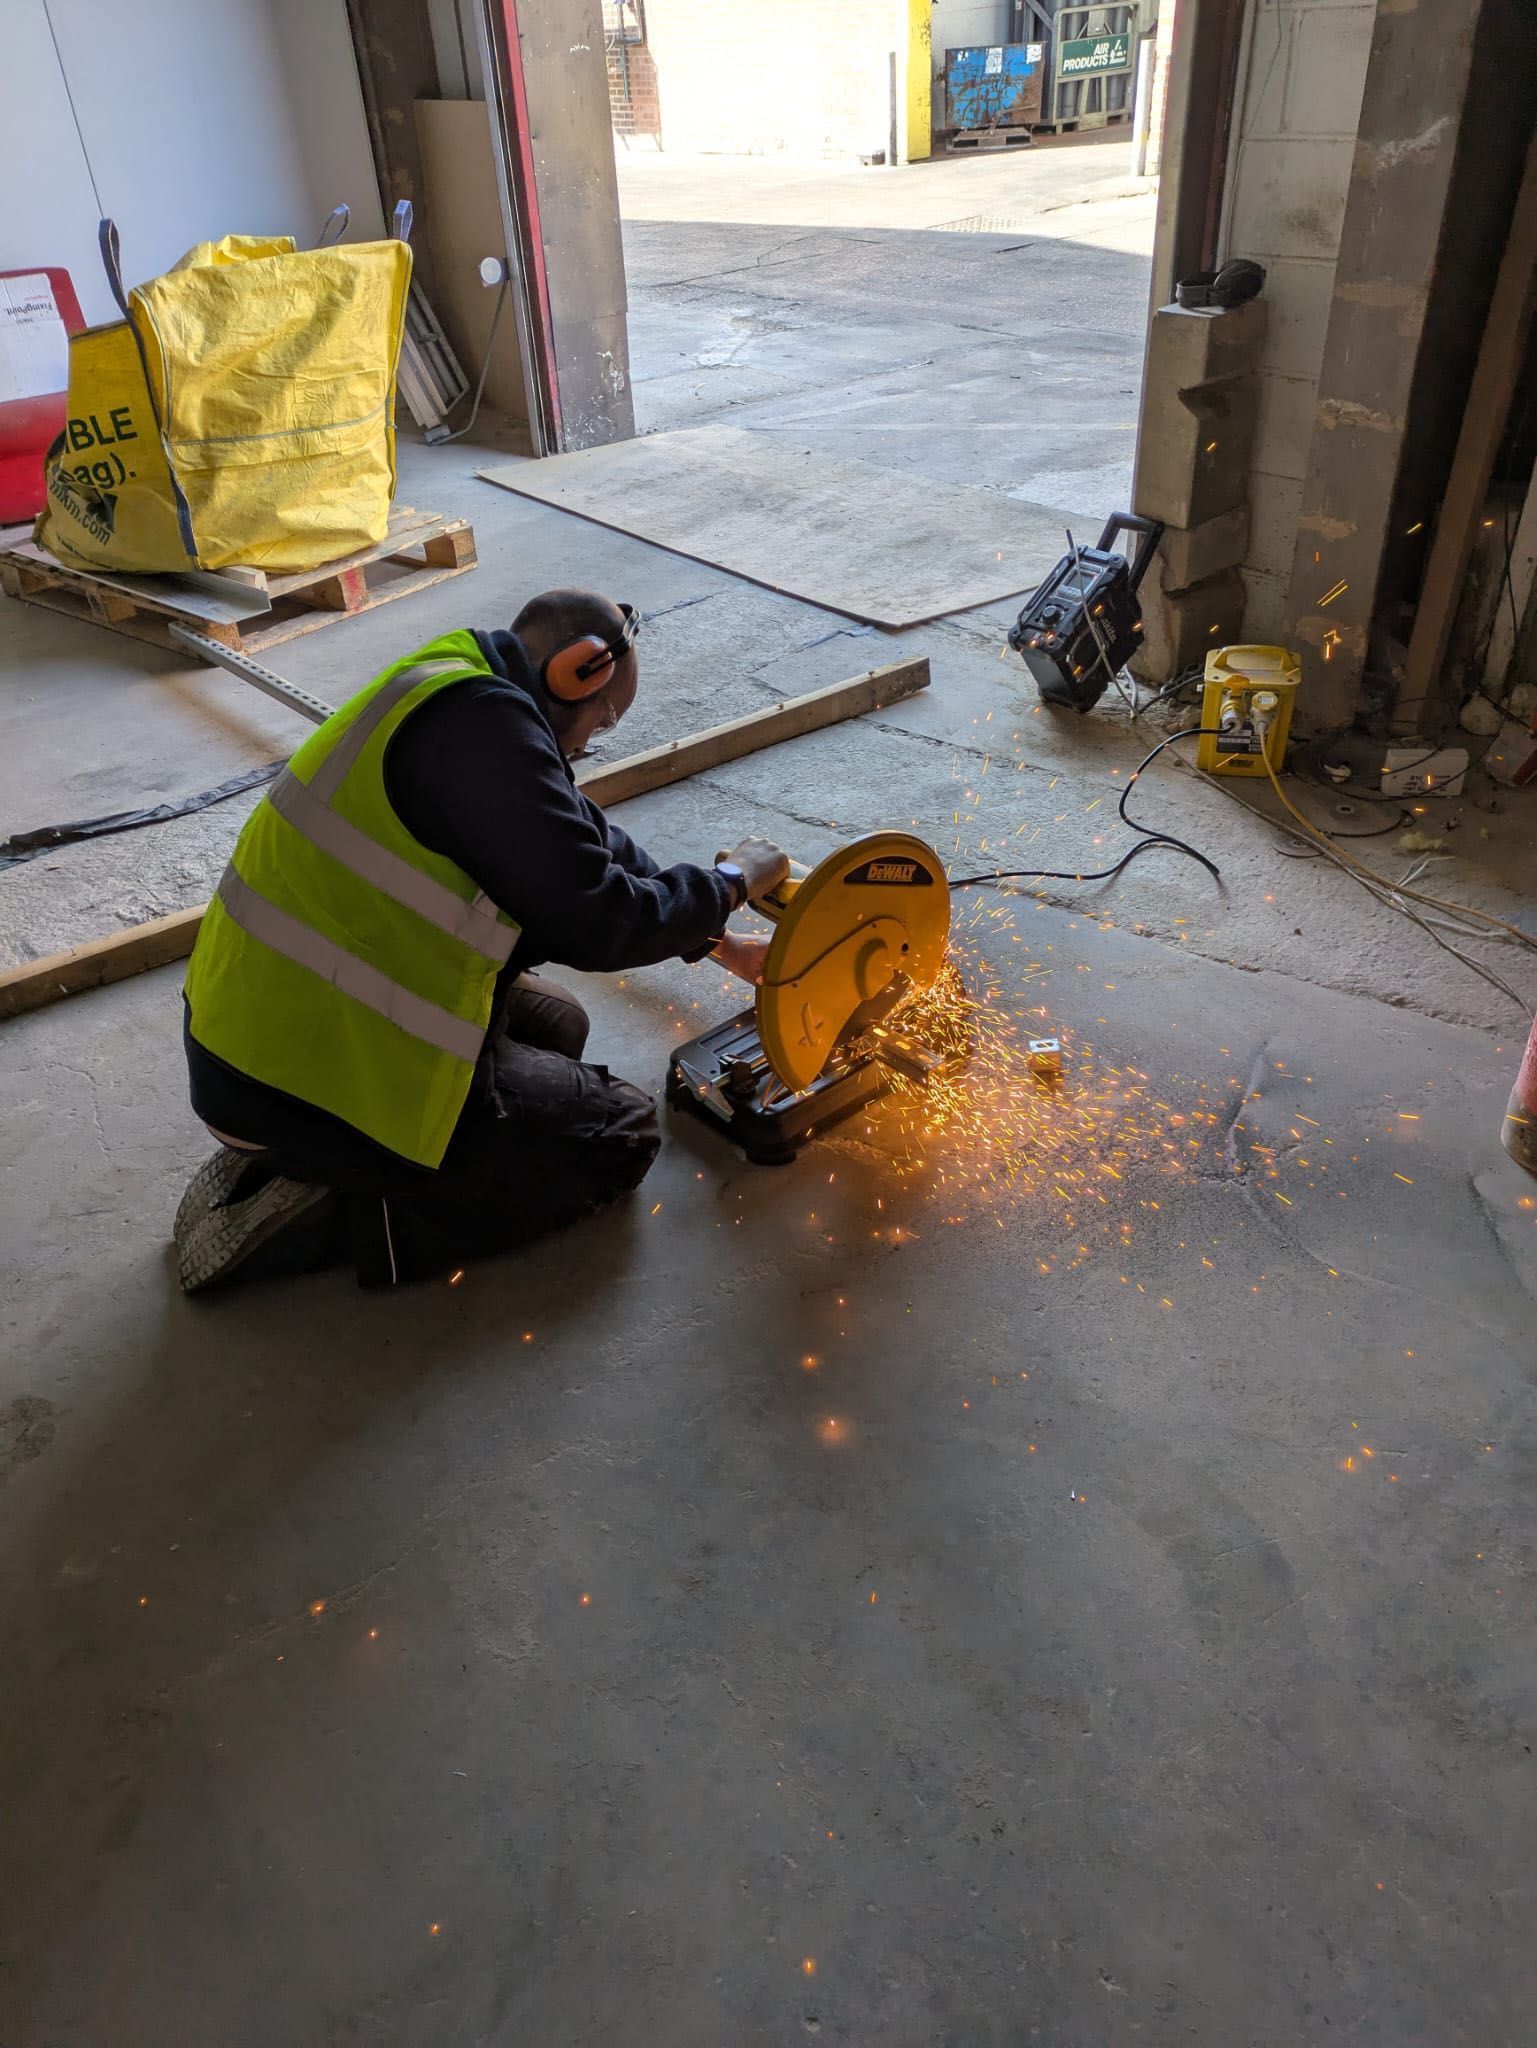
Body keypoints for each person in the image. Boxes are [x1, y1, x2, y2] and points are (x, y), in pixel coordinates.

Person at [173, 589, 789, 1291]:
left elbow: (583, 840)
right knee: (620, 1134)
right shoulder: (488, 736)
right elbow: (594, 919)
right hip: (295, 1078)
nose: (591, 740)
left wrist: (717, 939)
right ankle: (357, 1210)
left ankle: (316, 1152)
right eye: (603, 718)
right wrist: (732, 880)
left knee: (561, 1024)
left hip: (256, 1032)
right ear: (578, 673)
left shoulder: (462, 685)